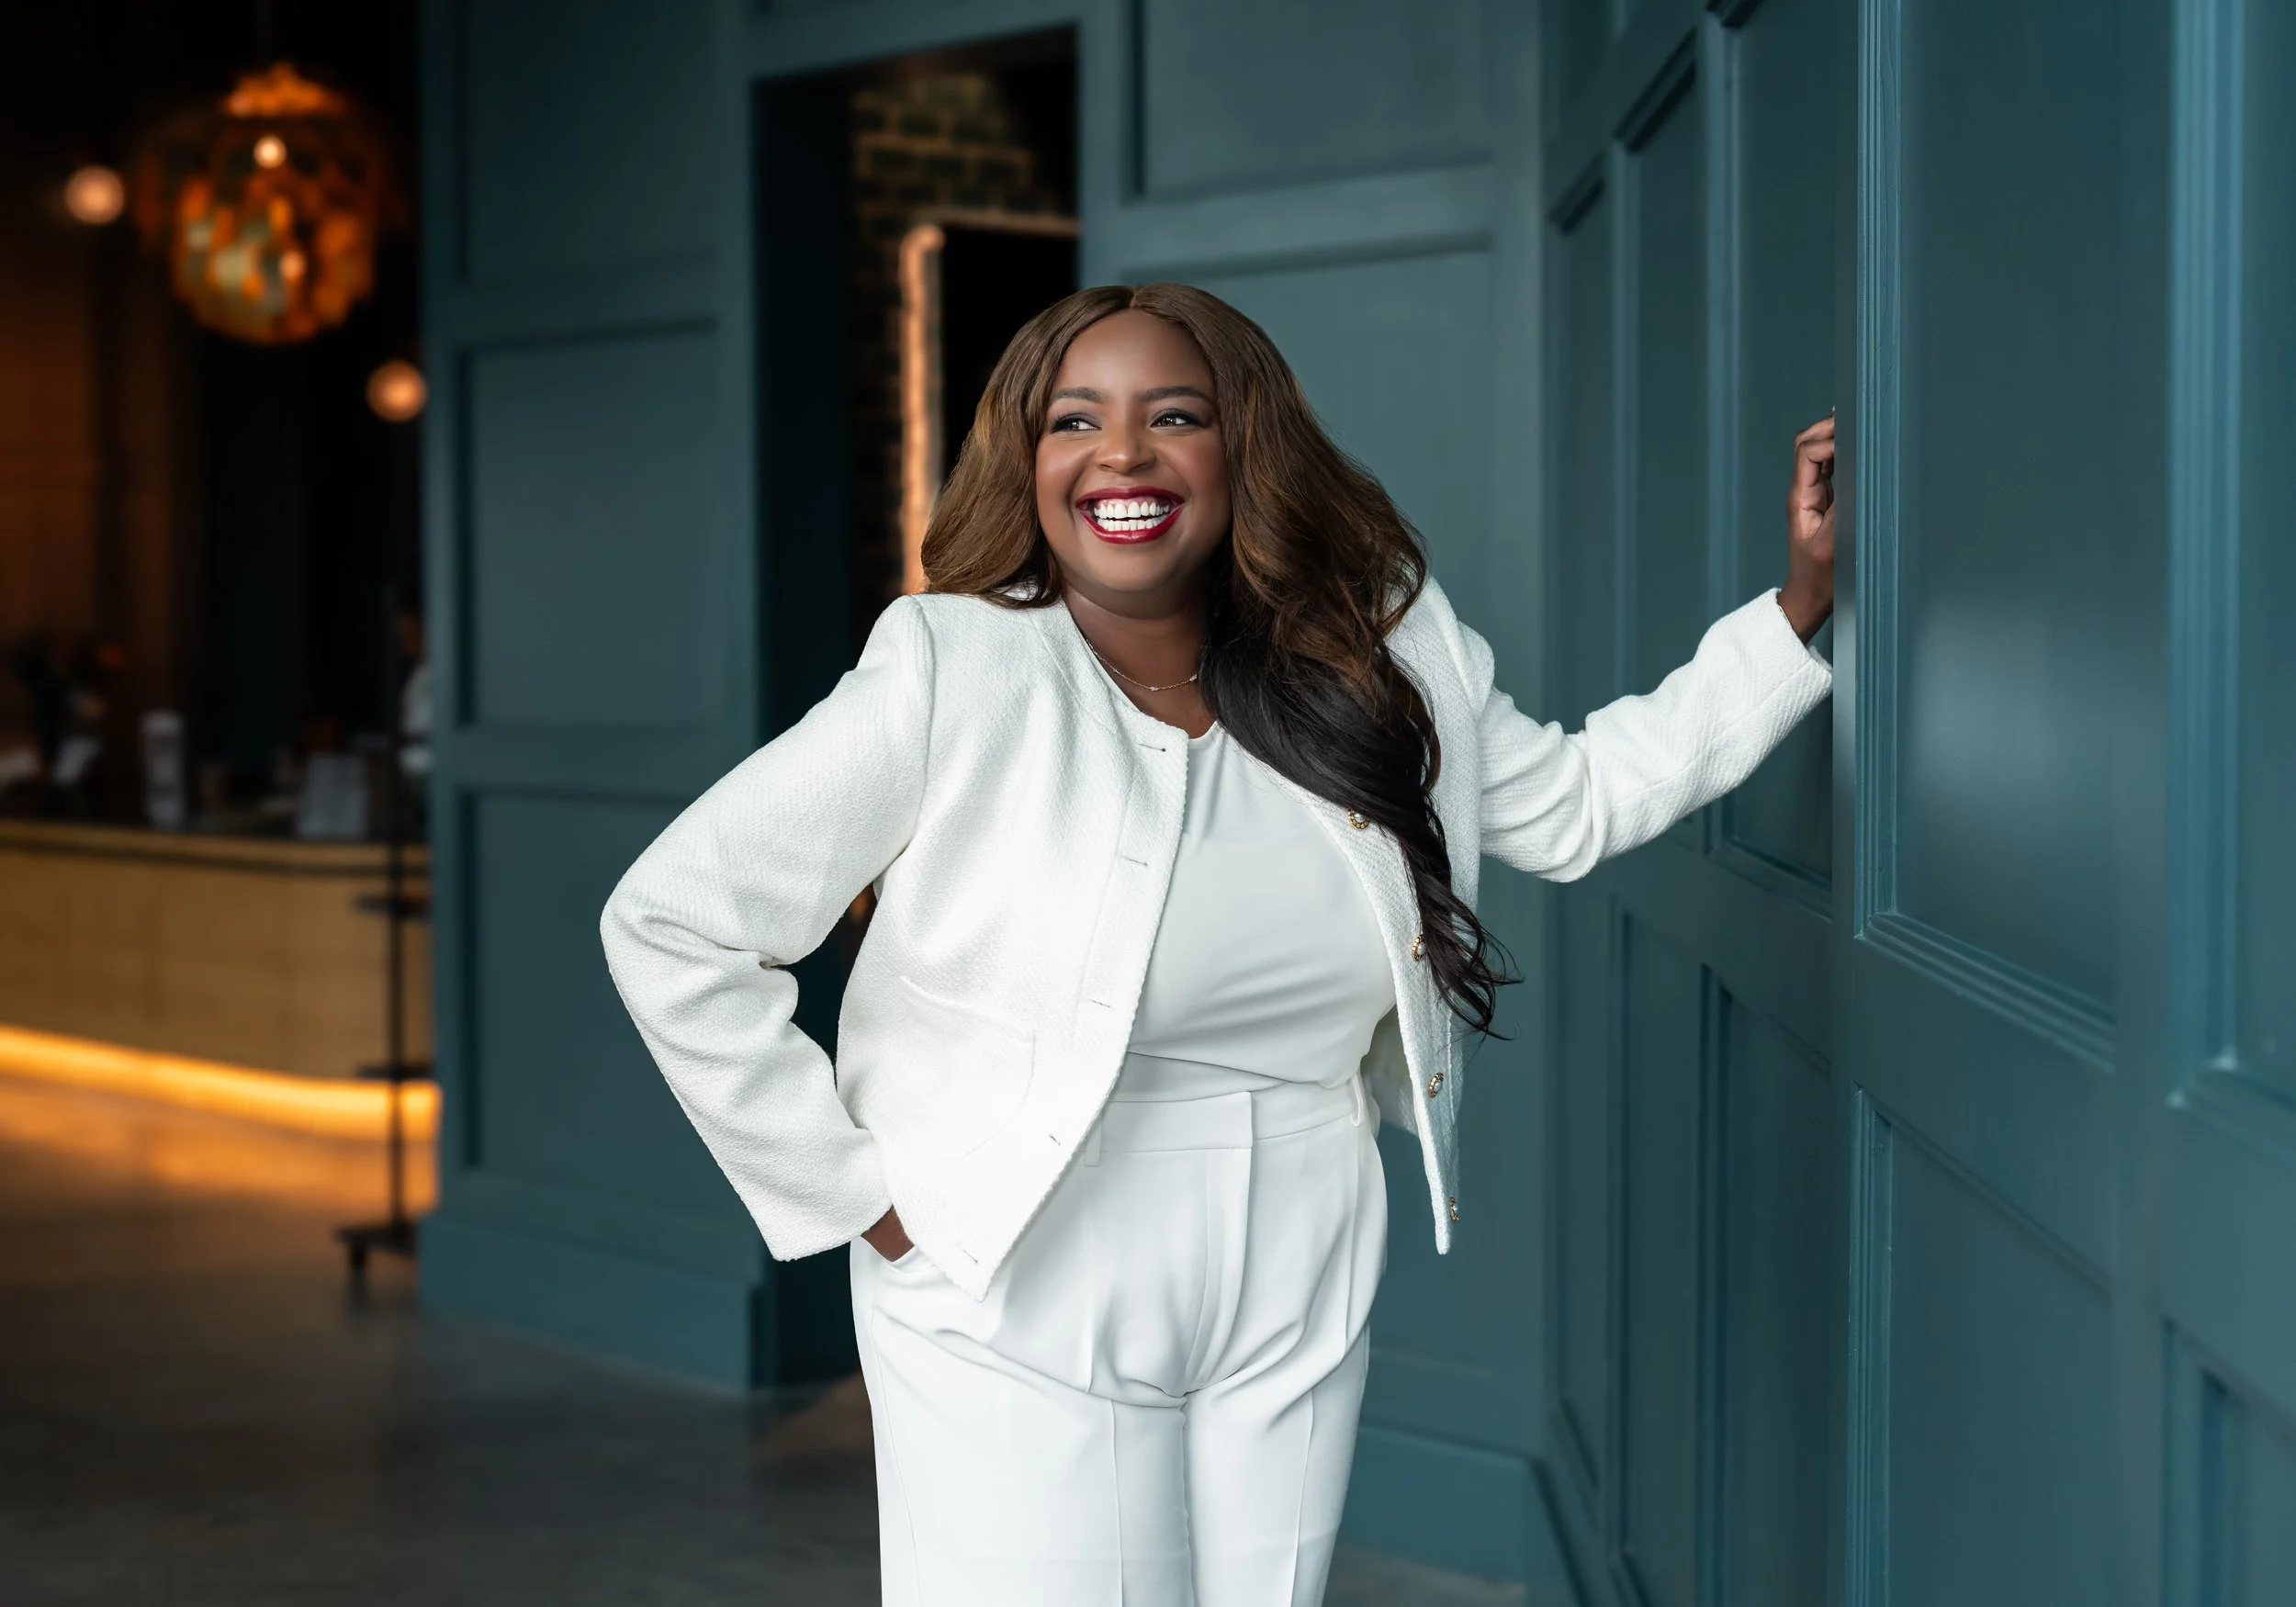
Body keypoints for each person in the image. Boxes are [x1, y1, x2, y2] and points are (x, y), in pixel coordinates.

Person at [600, 283, 1836, 1606]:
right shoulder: (952, 666)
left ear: (1243, 445)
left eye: (1172, 415)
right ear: (1029, 460)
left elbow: (1580, 800)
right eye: (1076, 419)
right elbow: (674, 919)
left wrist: (1800, 604)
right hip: (1012, 1251)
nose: (1121, 454)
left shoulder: (1383, 648)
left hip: (1300, 1229)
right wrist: (860, 1201)